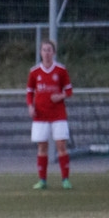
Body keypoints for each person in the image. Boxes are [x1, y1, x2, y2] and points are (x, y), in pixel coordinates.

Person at [27, 39, 73, 189]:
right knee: (42, 146)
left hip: (58, 114)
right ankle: (42, 180)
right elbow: (29, 92)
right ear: (40, 53)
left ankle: (65, 179)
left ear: (53, 52)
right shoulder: (34, 72)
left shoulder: (61, 70)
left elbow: (69, 90)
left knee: (61, 145)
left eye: (49, 50)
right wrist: (30, 106)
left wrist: (60, 96)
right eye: (44, 50)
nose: (46, 53)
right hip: (41, 114)